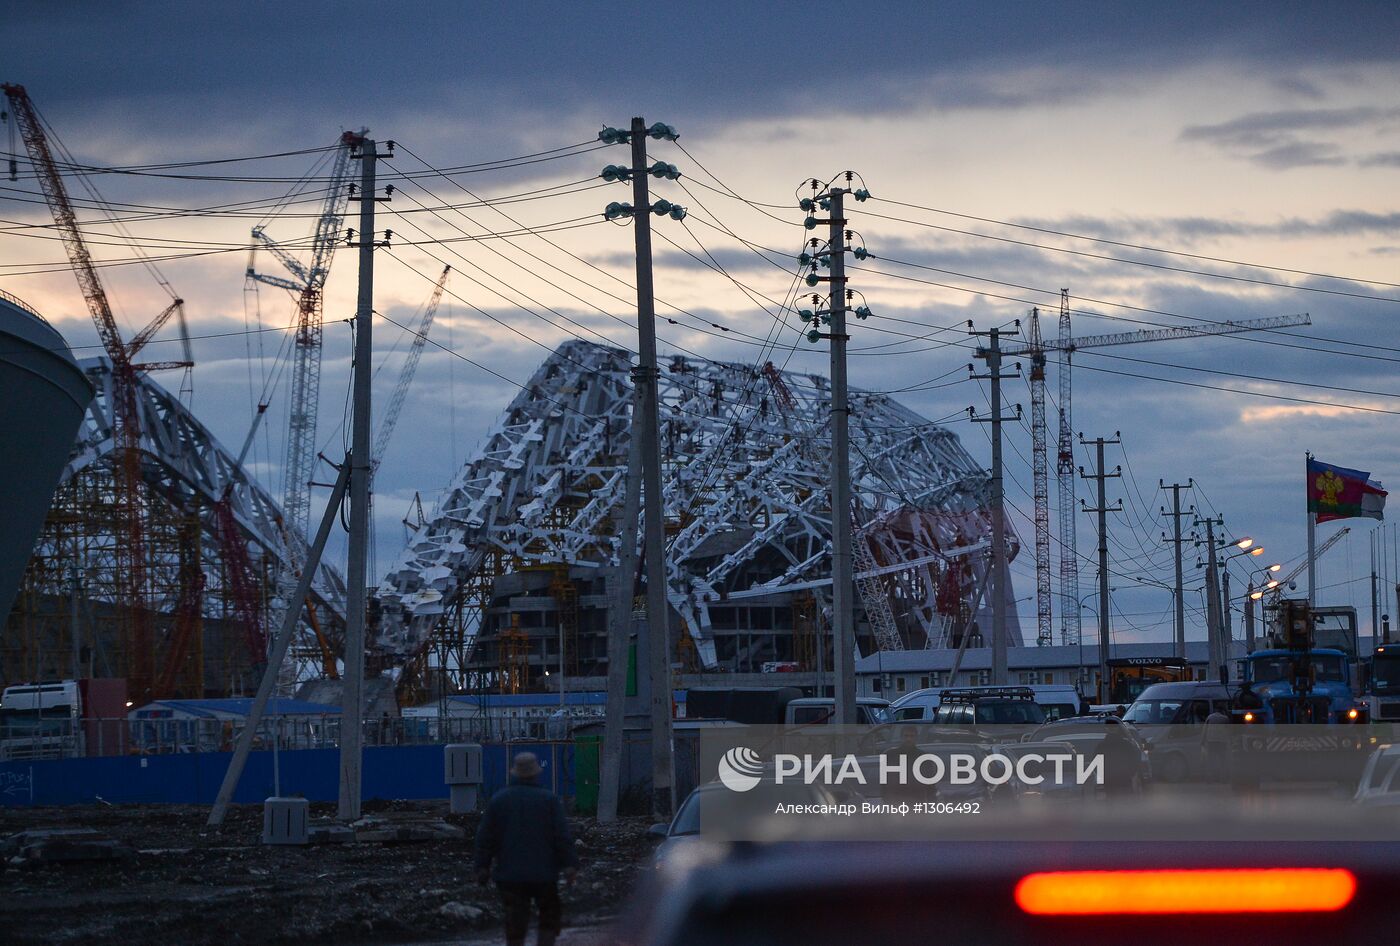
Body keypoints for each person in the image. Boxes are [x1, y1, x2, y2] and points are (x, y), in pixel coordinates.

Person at [475, 752, 579, 946]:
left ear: (515, 773)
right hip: (544, 875)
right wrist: (570, 866)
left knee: (515, 922)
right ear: (535, 774)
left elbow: (485, 838)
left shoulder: (499, 801)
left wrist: (482, 867)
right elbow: (562, 837)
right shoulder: (548, 800)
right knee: (548, 916)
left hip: (509, 876)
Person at [1202, 707, 1231, 782]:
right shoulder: (1225, 718)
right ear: (1222, 711)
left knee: (1211, 760)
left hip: (1211, 741)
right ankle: (1223, 779)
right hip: (1222, 741)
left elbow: (1205, 729)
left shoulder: (1210, 717)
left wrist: (1202, 741)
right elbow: (1229, 730)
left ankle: (1211, 778)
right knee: (1222, 760)